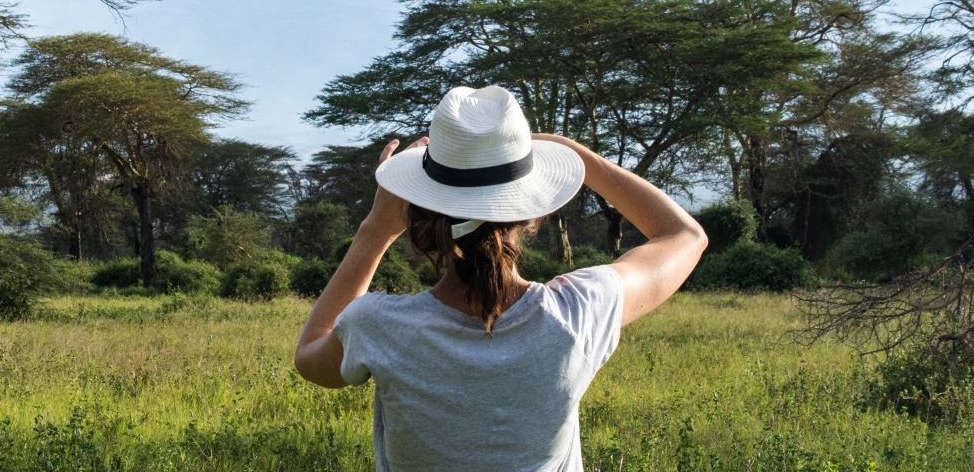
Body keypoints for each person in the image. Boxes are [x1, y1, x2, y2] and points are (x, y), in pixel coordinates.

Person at [295, 85, 707, 471]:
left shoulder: (377, 325)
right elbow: (685, 237)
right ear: (533, 216)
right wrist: (573, 154)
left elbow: (311, 356)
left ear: (418, 214)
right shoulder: (578, 312)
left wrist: (376, 229)